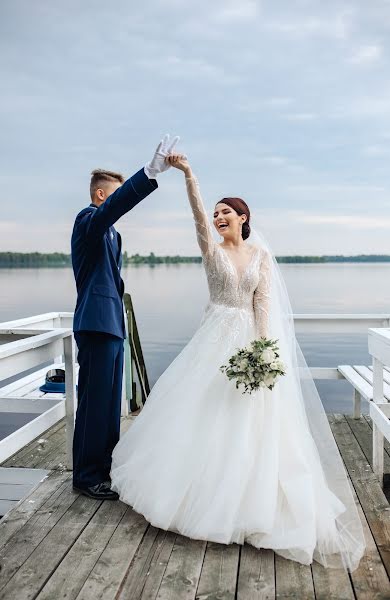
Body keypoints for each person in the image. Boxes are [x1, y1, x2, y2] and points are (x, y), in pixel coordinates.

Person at [110, 153, 366, 571]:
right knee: (205, 412)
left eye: (226, 212)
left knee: (253, 420)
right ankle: (196, 496)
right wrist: (189, 175)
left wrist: (264, 351)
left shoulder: (261, 257)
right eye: (216, 213)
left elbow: (263, 304)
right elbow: (196, 211)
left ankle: (252, 502)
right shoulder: (210, 247)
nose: (217, 217)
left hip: (248, 340)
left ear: (243, 217)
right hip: (213, 337)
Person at [71, 134, 180, 500]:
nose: (116, 202)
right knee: (94, 404)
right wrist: (149, 173)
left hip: (112, 326)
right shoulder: (88, 220)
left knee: (108, 407)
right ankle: (86, 477)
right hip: (96, 324)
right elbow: (110, 212)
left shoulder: (113, 234)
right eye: (114, 196)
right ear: (102, 196)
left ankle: (104, 469)